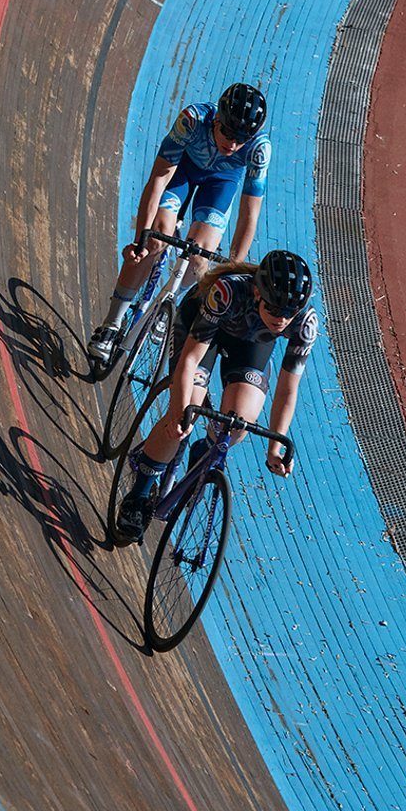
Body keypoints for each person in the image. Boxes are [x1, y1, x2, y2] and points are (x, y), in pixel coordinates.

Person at [114, 249, 317, 545]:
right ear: (258, 293)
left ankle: (206, 449)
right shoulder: (227, 291)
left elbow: (288, 388)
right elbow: (189, 362)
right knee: (187, 414)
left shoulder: (305, 322)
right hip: (202, 332)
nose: (282, 320)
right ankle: (139, 494)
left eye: (290, 313)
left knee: (239, 427)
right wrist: (177, 411)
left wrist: (276, 444)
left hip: (249, 347)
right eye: (275, 310)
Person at [88, 83, 270, 363]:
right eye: (228, 134)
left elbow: (249, 214)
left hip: (220, 184)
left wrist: (234, 270)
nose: (232, 145)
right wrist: (140, 239)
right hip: (182, 173)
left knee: (201, 261)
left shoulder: (258, 149)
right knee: (155, 240)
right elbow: (159, 179)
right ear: (218, 119)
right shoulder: (193, 120)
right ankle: (112, 323)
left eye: (241, 139)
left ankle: (169, 299)